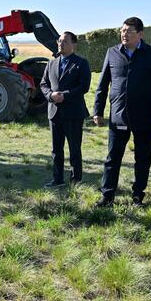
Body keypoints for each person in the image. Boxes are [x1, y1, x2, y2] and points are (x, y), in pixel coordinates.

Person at [93, 17, 151, 207]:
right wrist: (98, 110)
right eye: (122, 30)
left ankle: (138, 196)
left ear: (140, 34)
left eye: (129, 31)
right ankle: (107, 196)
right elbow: (102, 85)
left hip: (144, 117)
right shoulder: (112, 53)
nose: (124, 34)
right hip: (118, 115)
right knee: (112, 158)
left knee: (142, 159)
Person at [40, 31, 91, 187]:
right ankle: (57, 179)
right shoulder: (51, 63)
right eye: (60, 41)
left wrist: (64, 95)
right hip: (54, 112)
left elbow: (84, 87)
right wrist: (51, 95)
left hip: (73, 112)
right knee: (56, 149)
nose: (61, 44)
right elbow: (43, 84)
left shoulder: (81, 63)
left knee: (74, 148)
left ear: (74, 44)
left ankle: (75, 180)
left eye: (65, 42)